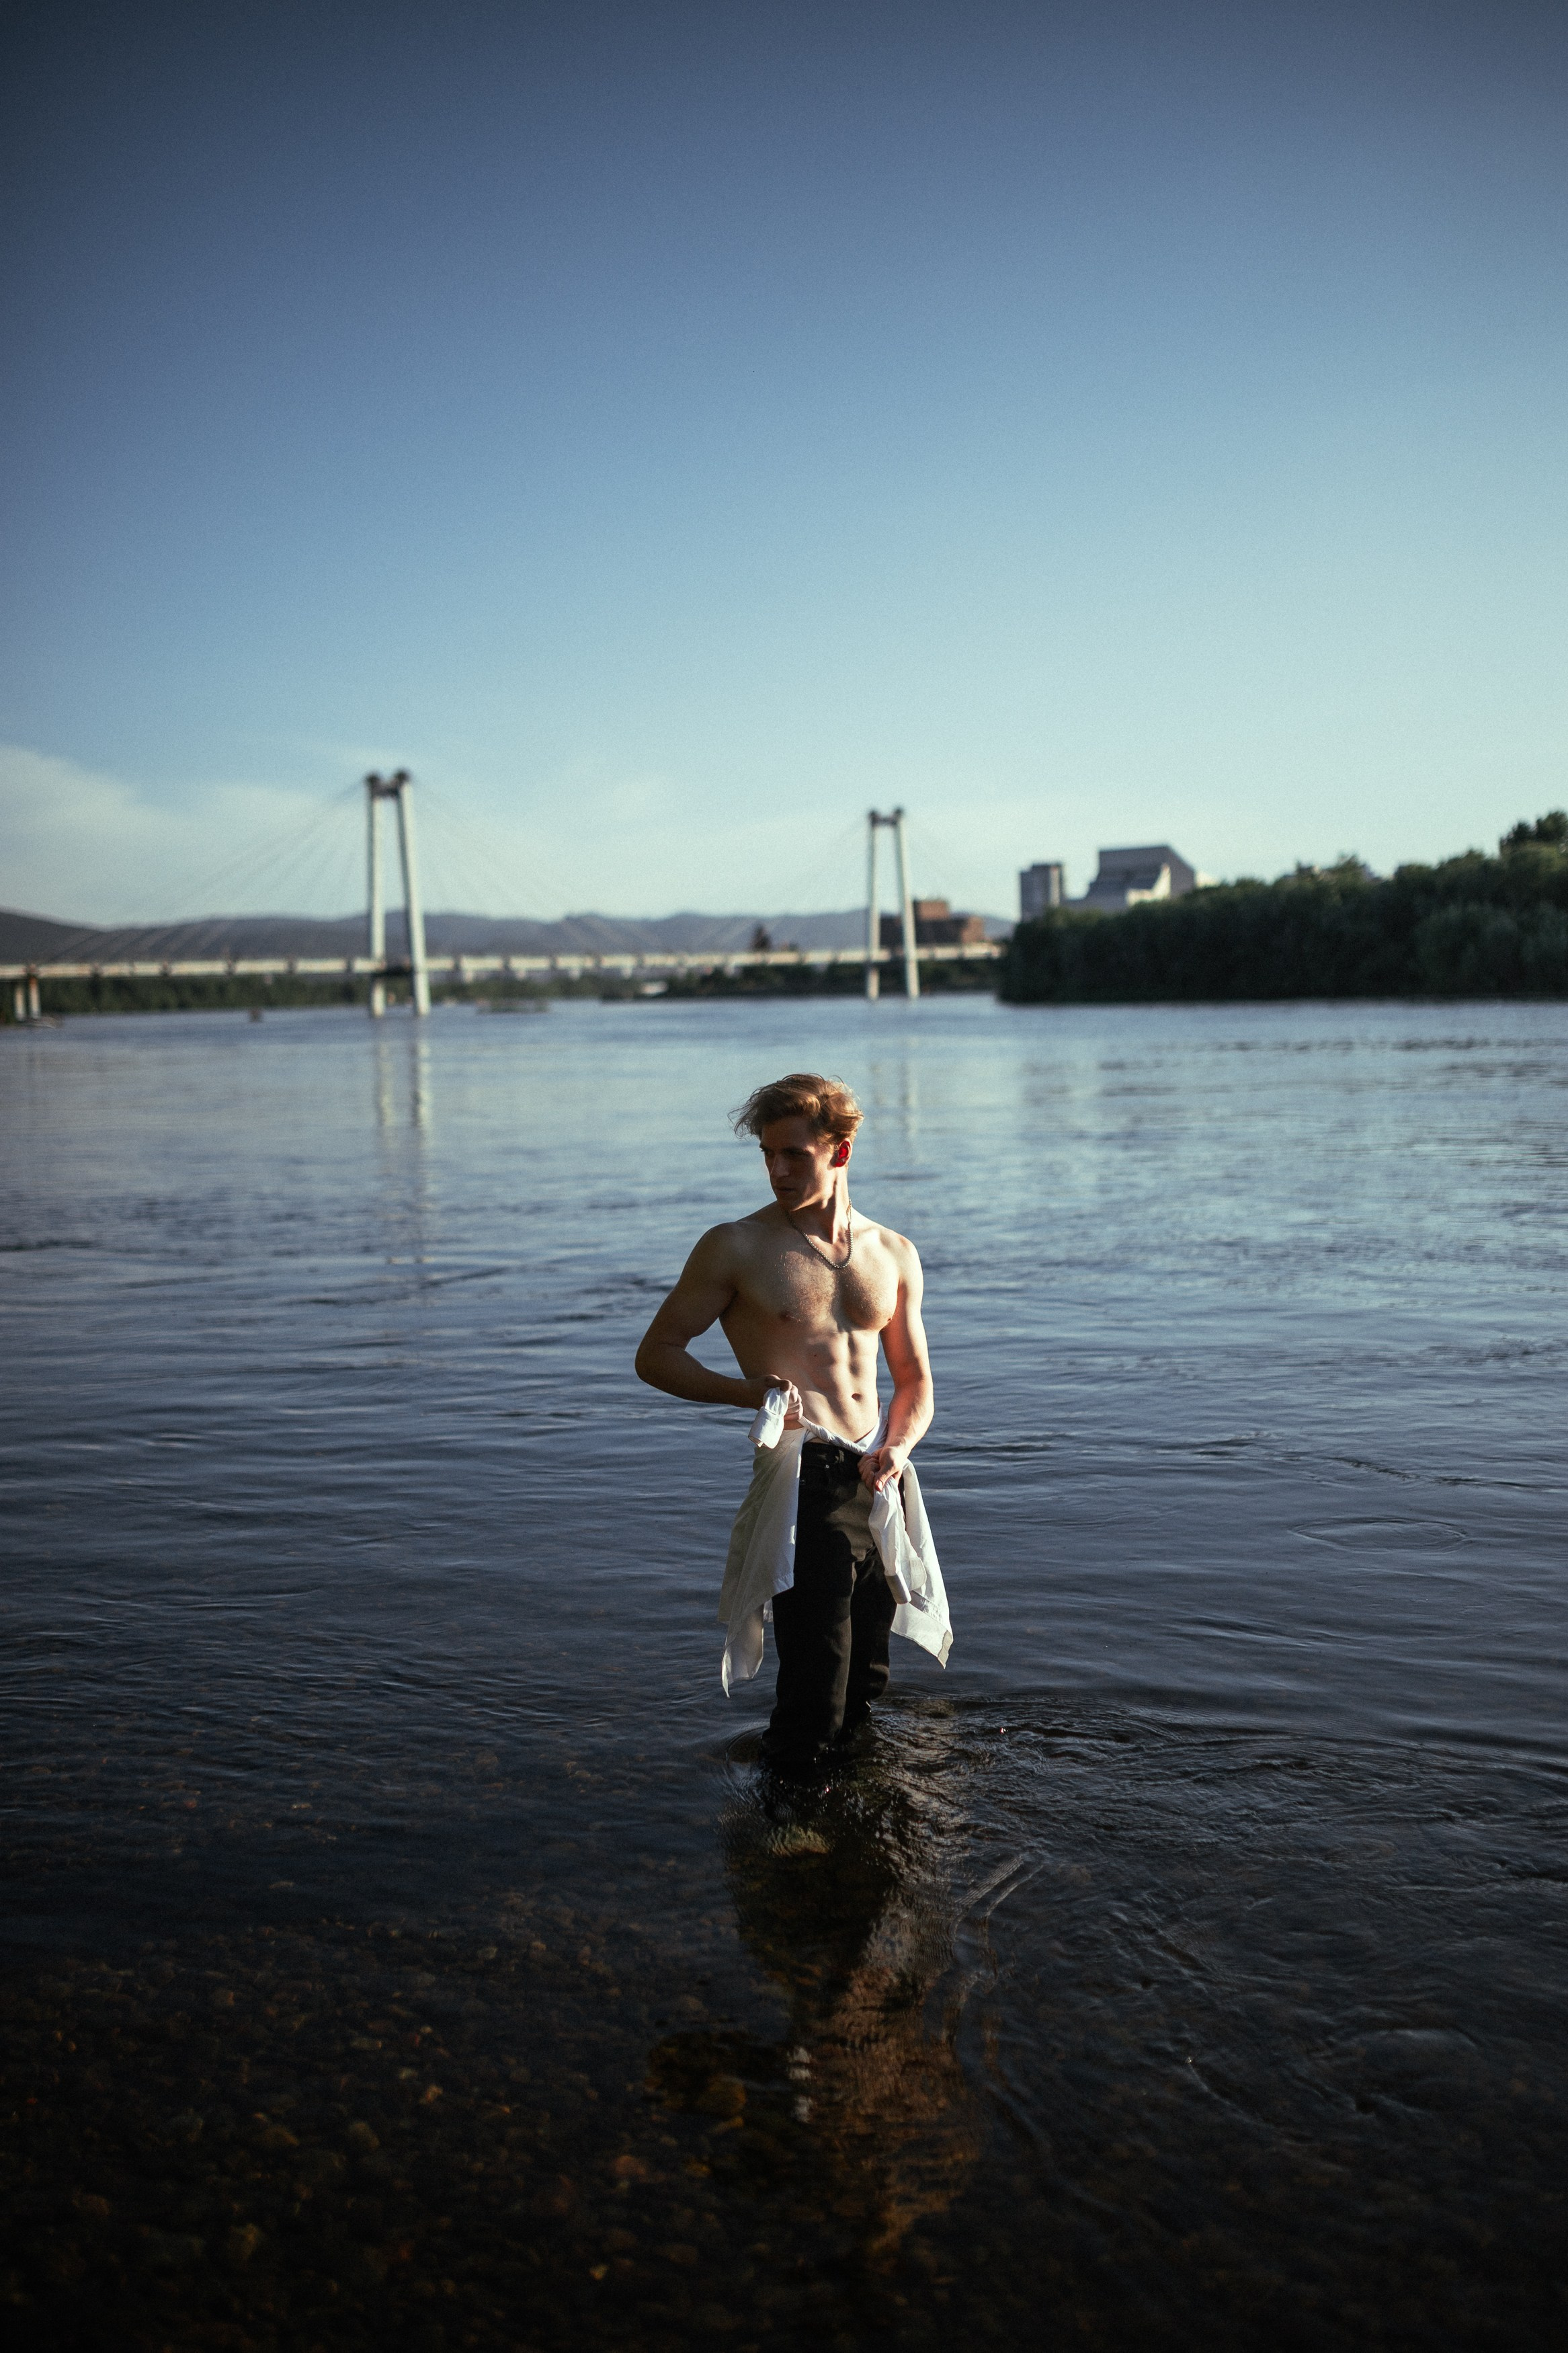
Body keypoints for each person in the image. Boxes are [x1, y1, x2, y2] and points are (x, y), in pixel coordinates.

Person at [634, 1071, 949, 1776]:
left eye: (794, 1155)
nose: (776, 1169)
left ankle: (855, 1822)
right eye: (766, 1154)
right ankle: (787, 1828)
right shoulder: (736, 1246)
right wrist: (744, 1391)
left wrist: (896, 1446)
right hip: (806, 1477)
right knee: (816, 1685)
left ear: (838, 1152)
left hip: (879, 1474)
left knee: (867, 1675)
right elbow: (654, 1356)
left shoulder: (892, 1252)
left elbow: (916, 1382)